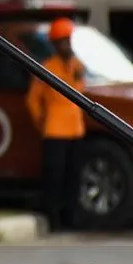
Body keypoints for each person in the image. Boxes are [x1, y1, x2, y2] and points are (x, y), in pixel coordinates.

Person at [26, 17, 86, 231]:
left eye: (67, 40)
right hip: (54, 130)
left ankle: (72, 217)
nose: (66, 45)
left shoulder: (77, 65)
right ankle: (53, 217)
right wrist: (41, 123)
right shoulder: (47, 68)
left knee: (74, 176)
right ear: (54, 44)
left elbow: (81, 92)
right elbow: (33, 100)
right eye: (61, 41)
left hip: (75, 130)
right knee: (54, 176)